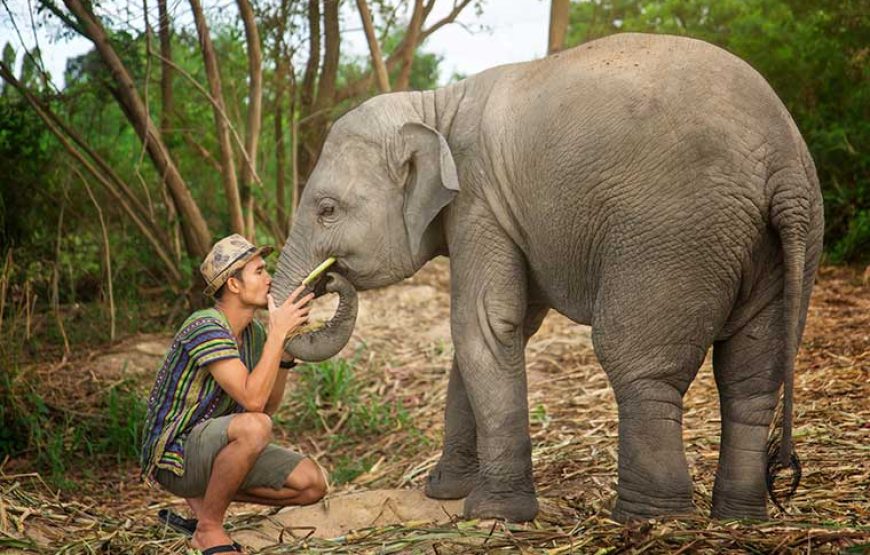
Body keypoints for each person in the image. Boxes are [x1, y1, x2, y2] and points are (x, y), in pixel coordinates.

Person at [140, 234, 327, 554]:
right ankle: (208, 528)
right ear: (234, 284)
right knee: (255, 427)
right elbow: (253, 405)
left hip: (215, 450)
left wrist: (282, 350)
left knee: (312, 484)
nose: (269, 279)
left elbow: (267, 406)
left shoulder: (253, 335)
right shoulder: (206, 326)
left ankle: (207, 500)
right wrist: (278, 331)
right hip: (175, 455)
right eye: (259, 271)